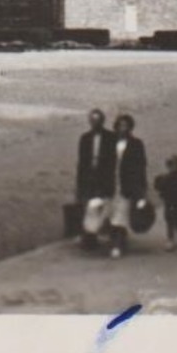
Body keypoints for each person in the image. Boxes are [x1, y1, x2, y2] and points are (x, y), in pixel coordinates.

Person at [106, 113, 148, 259]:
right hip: (110, 182)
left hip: (126, 184)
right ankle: (118, 240)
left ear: (130, 127)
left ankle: (117, 244)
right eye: (120, 125)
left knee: (121, 214)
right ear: (116, 127)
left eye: (126, 126)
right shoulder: (110, 142)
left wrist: (142, 190)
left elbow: (141, 166)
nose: (122, 128)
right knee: (112, 213)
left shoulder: (136, 144)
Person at [75, 107, 116, 250]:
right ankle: (89, 238)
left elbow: (113, 160)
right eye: (92, 120)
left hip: (104, 175)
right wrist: (79, 184)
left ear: (102, 121)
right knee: (89, 207)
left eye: (97, 120)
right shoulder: (85, 138)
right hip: (89, 175)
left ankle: (109, 236)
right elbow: (81, 163)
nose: (95, 123)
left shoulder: (111, 137)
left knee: (105, 206)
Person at [153, 154, 177, 249]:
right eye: (169, 165)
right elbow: (159, 187)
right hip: (170, 201)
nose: (171, 167)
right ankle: (170, 238)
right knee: (170, 220)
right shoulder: (166, 178)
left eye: (172, 165)